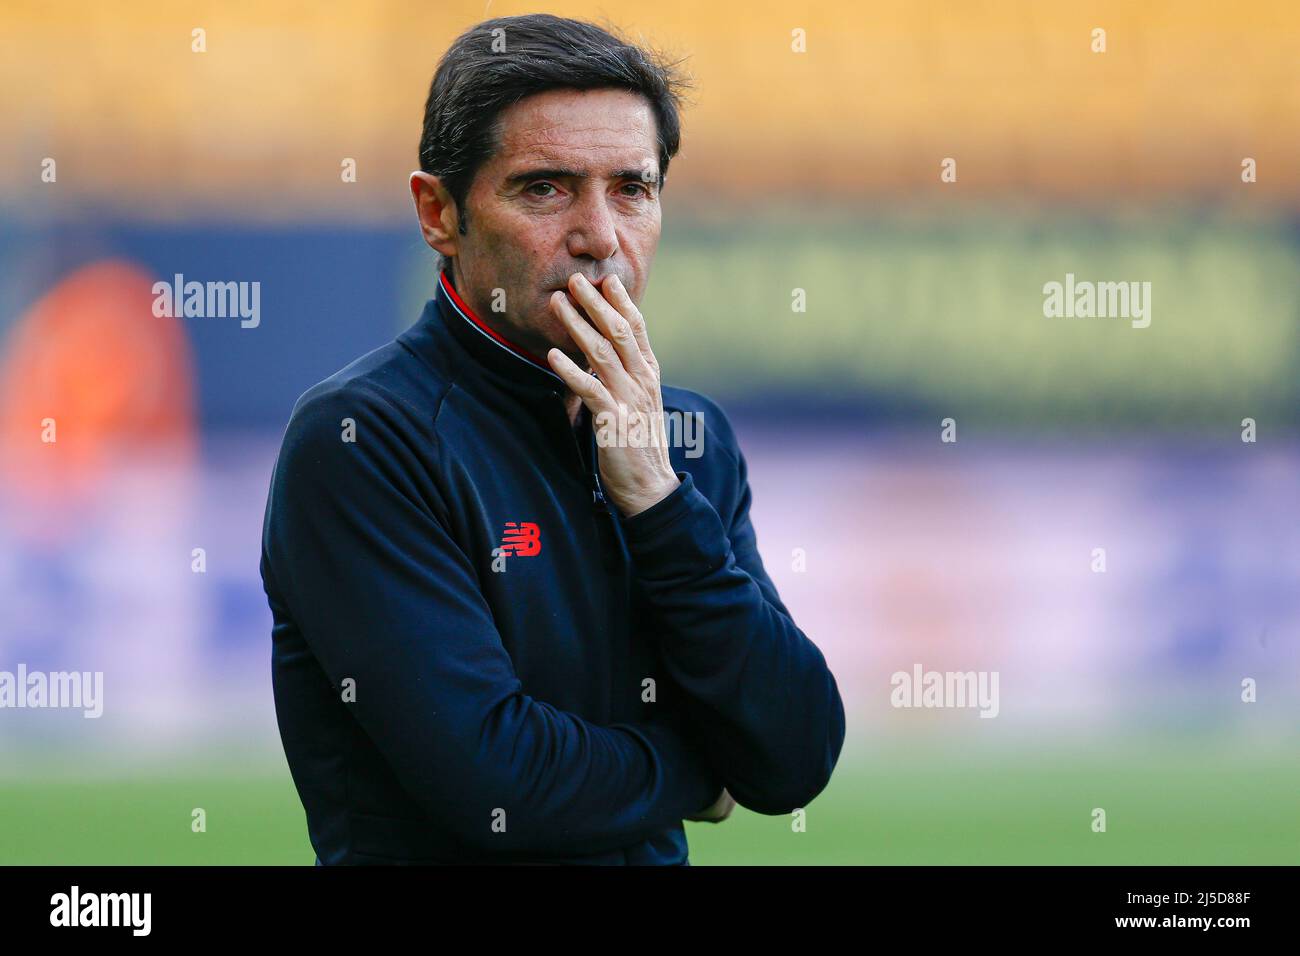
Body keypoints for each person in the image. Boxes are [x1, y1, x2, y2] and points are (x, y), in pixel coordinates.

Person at [260, 12, 845, 865]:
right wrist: (704, 768)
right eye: (546, 188)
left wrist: (655, 500)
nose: (600, 237)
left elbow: (795, 758)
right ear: (439, 214)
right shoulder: (361, 439)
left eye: (633, 189)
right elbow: (498, 780)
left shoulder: (688, 440)